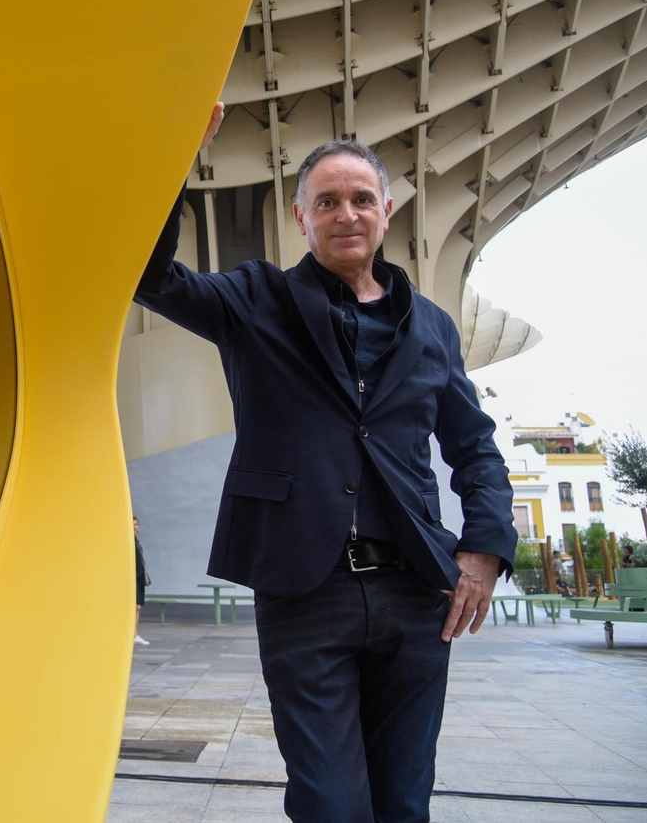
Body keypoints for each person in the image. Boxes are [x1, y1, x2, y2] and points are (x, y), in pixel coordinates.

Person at [135, 103, 515, 822]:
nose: (347, 214)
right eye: (328, 202)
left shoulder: (431, 325)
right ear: (300, 216)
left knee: (404, 800)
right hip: (304, 588)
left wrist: (485, 550)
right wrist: (175, 159)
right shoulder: (256, 300)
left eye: (361, 199)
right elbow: (152, 277)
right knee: (329, 802)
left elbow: (474, 447)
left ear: (387, 211)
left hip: (417, 593)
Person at [133, 516, 150, 647]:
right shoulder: (130, 542)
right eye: (133, 525)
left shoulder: (136, 542)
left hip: (138, 579)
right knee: (135, 607)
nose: (135, 527)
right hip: (134, 579)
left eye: (136, 525)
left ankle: (135, 633)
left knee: (137, 607)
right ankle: (133, 634)